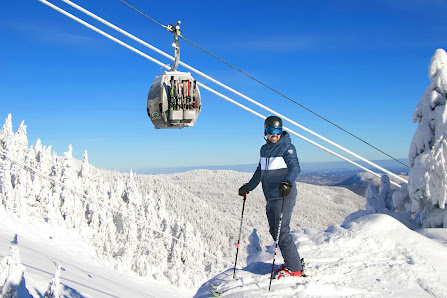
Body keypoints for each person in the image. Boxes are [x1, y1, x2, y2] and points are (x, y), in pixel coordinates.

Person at [238, 115, 303, 278]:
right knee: (275, 232)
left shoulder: (287, 147)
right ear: (265, 132)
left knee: (282, 232)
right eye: (271, 130)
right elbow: (260, 171)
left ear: (281, 131)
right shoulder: (264, 149)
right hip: (270, 196)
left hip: (284, 195)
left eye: (278, 130)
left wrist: (287, 182)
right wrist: (249, 187)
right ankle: (291, 261)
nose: (274, 134)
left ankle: (295, 269)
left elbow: (295, 167)